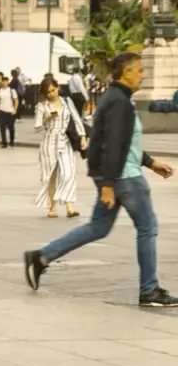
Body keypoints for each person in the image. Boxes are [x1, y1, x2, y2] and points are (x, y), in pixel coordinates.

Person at [26, 52, 178, 306]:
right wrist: (108, 184)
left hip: (116, 175)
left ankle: (41, 257)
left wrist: (150, 163)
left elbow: (120, 142)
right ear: (125, 72)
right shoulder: (119, 102)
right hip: (125, 178)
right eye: (139, 70)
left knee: (98, 227)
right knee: (148, 227)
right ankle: (149, 290)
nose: (143, 75)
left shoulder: (115, 98)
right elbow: (114, 145)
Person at [34, 76, 84, 220]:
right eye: (48, 92)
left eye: (53, 90)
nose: (51, 94)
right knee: (50, 176)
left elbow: (76, 119)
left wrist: (82, 137)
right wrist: (47, 118)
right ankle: (51, 206)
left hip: (65, 141)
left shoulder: (67, 102)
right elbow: (37, 127)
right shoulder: (41, 106)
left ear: (58, 88)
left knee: (69, 173)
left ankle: (69, 206)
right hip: (49, 143)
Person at [0, 73, 20, 148]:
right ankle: (4, 143)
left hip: (10, 112)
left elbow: (16, 100)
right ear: (1, 82)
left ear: (8, 82)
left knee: (11, 128)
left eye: (6, 81)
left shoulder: (12, 91)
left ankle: (11, 141)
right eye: (3, 81)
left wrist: (15, 109)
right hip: (2, 111)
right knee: (2, 128)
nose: (4, 83)